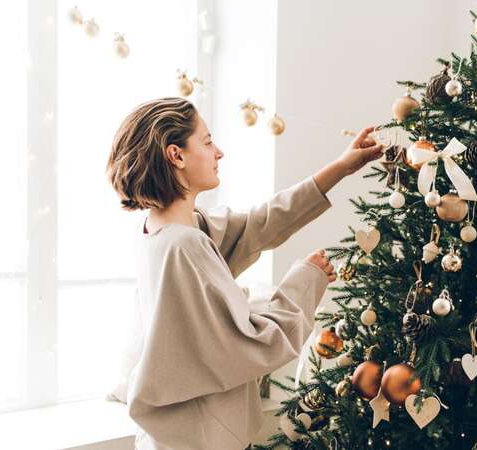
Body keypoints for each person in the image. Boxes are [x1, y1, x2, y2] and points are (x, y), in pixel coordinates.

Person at [105, 97, 383, 449]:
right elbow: (251, 344)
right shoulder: (183, 247)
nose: (218, 152)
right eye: (207, 142)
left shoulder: (166, 230)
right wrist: (307, 278)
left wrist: (341, 167)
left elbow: (259, 223)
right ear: (176, 155)